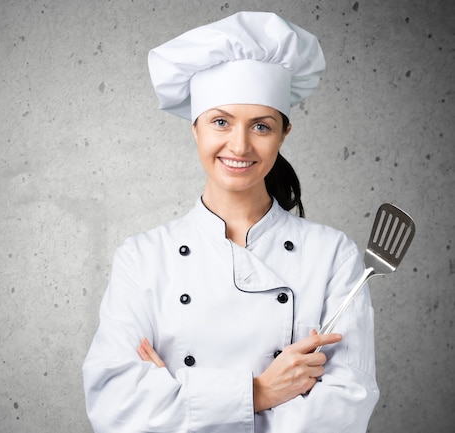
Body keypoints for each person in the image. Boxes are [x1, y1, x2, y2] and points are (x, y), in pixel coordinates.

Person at [83, 11, 379, 433]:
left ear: (284, 133)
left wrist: (177, 397)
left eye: (261, 126)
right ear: (196, 128)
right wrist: (261, 392)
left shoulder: (332, 255)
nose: (239, 145)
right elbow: (116, 408)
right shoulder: (143, 258)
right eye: (220, 121)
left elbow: (343, 408)